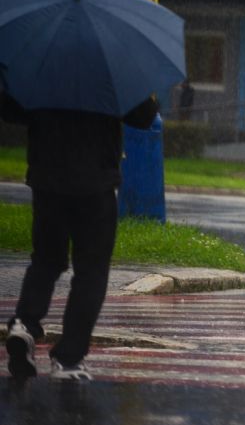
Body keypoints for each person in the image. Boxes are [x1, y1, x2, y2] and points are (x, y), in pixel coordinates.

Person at [1, 85, 158, 380]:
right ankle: (69, 358)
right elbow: (144, 116)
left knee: (46, 260)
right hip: (95, 183)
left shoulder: (43, 64)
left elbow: (11, 110)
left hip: (47, 179)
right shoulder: (111, 68)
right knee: (92, 271)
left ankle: (24, 323)